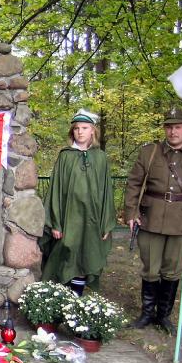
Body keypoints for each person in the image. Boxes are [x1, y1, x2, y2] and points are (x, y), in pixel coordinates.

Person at [124, 108, 182, 332]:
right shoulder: (150, 152)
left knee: (172, 271)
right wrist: (131, 213)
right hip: (151, 218)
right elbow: (134, 183)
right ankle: (147, 314)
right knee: (150, 269)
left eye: (177, 127)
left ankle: (164, 316)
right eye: (169, 127)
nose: (172, 131)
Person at [39, 109, 116, 296]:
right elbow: (56, 190)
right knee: (66, 257)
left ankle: (76, 297)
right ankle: (62, 298)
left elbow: (106, 192)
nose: (80, 132)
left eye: (85, 127)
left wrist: (106, 223)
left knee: (85, 257)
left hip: (92, 219)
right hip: (69, 218)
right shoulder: (65, 156)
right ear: (72, 132)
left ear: (93, 131)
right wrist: (56, 222)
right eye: (76, 128)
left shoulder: (100, 158)